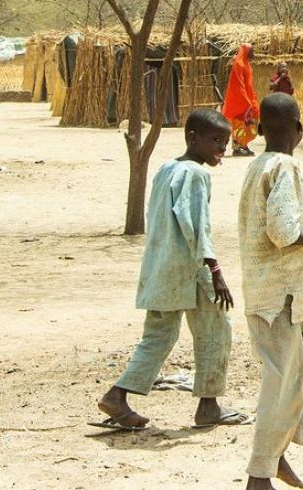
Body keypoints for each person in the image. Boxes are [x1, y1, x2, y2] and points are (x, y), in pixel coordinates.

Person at [90, 109, 249, 432]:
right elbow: (196, 225)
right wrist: (215, 270)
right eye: (216, 141)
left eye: (226, 142)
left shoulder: (166, 168)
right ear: (193, 138)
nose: (222, 149)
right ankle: (208, 405)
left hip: (161, 267)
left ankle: (117, 395)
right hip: (191, 269)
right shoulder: (196, 174)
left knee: (159, 335)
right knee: (216, 329)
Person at [240, 93, 303, 490]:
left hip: (283, 292)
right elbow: (283, 232)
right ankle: (259, 475)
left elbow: (277, 227)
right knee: (282, 380)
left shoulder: (257, 165)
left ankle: (276, 450)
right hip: (276, 299)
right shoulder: (285, 166)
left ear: (261, 129)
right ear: (300, 130)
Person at [222, 44, 259, 157]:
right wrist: (245, 100)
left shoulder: (246, 64)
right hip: (240, 99)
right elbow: (239, 84)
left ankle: (244, 145)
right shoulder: (239, 64)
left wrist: (252, 99)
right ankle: (237, 148)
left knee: (251, 122)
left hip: (248, 98)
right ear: (247, 51)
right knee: (239, 123)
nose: (254, 54)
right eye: (252, 51)